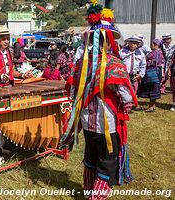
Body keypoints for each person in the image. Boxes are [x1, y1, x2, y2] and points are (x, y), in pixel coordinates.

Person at [63, 2, 137, 199]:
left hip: (87, 121)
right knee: (107, 158)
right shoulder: (114, 63)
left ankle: (89, 190)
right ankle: (98, 194)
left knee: (91, 154)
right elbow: (127, 95)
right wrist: (126, 104)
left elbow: (71, 90)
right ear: (108, 39)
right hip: (107, 123)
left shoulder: (80, 64)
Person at [0, 25, 32, 156]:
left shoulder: (8, 52)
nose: (6, 41)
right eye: (3, 39)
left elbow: (11, 72)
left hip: (8, 88)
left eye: (8, 39)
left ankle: (0, 147)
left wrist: (22, 75)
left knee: (4, 120)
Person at [119, 35, 146, 110]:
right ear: (128, 43)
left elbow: (143, 65)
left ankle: (129, 106)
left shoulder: (140, 53)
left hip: (134, 76)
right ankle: (124, 106)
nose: (133, 45)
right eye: (132, 42)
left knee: (133, 91)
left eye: (135, 43)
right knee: (123, 91)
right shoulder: (122, 52)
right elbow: (117, 62)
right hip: (124, 75)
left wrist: (140, 74)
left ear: (138, 44)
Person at [139, 39, 165, 112]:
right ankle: (153, 105)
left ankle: (151, 106)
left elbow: (145, 60)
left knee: (151, 88)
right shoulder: (161, 52)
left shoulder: (153, 53)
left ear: (156, 45)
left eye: (152, 44)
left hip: (151, 72)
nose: (151, 45)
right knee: (156, 88)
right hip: (158, 72)